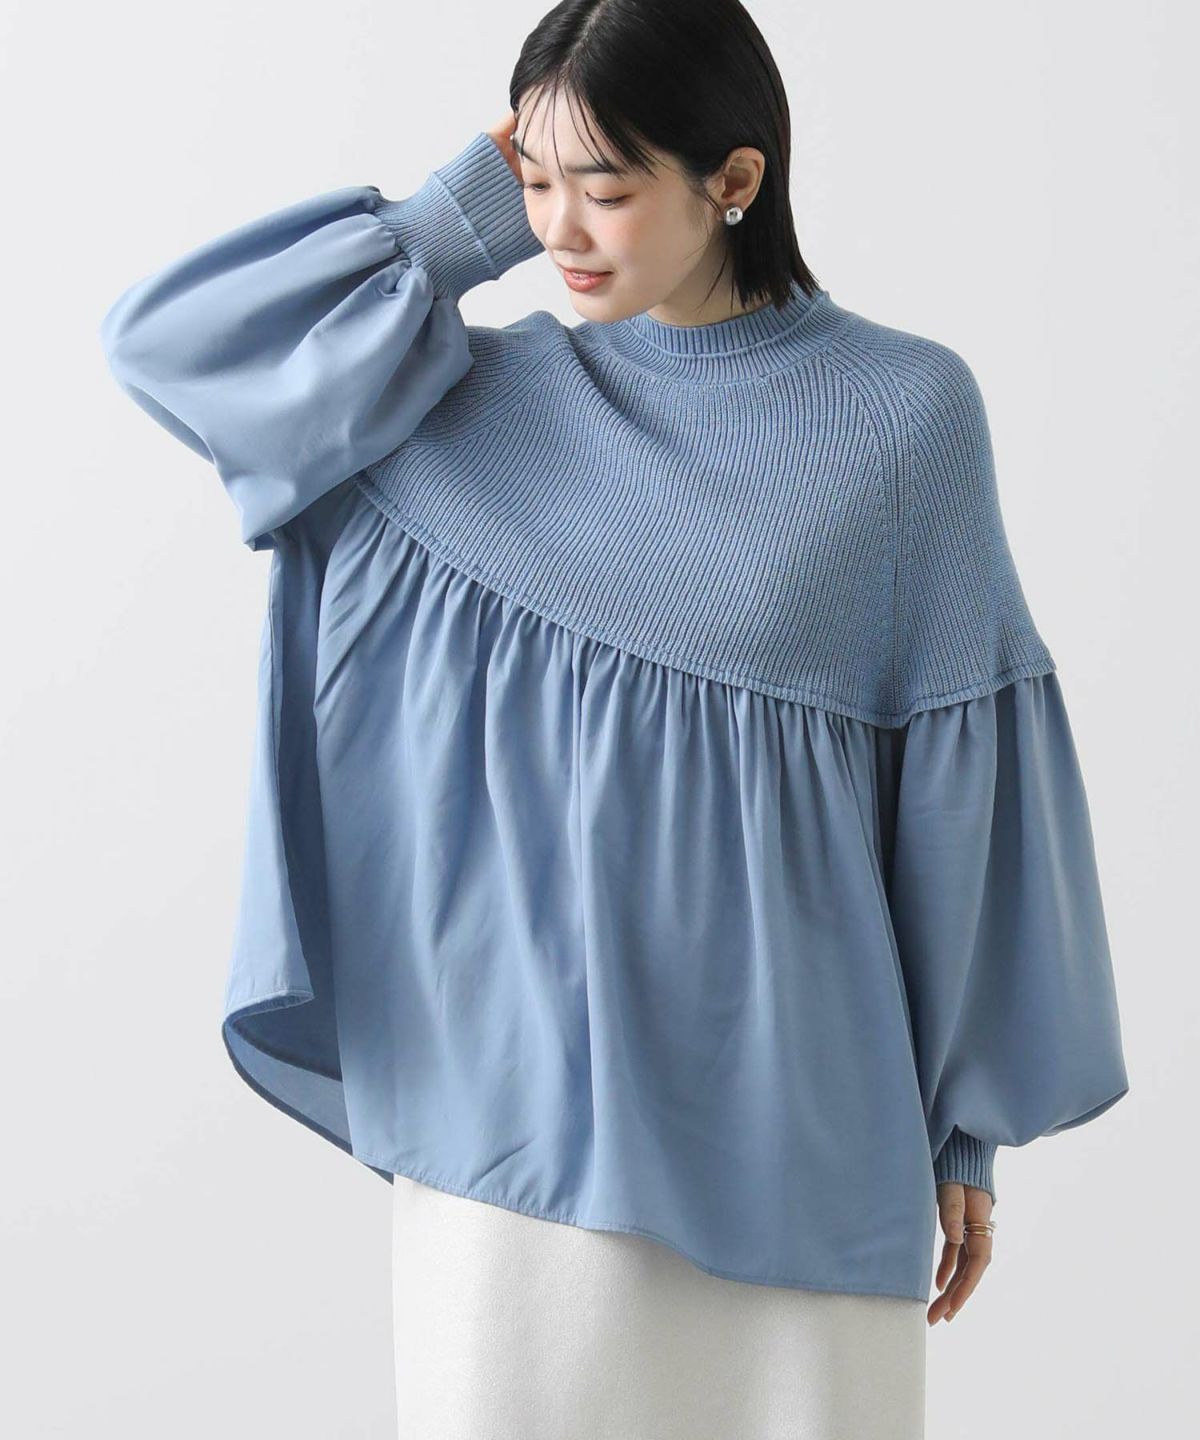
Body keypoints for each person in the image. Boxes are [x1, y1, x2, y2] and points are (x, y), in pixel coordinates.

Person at [97, 1, 1129, 1435]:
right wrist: (453, 224)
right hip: (510, 1153)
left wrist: (963, 1133)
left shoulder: (904, 417)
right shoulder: (460, 403)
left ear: (735, 179)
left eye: (608, 187)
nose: (562, 231)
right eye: (538, 182)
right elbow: (167, 350)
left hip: (803, 1150)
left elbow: (957, 799)